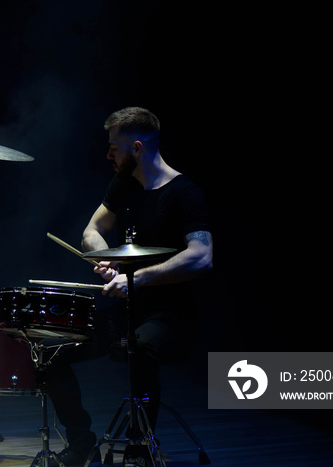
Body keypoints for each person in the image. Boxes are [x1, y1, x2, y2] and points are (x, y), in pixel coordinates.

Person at [45, 107, 213, 465]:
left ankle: (139, 447)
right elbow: (92, 231)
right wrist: (104, 259)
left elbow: (202, 256)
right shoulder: (123, 184)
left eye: (113, 148)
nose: (108, 155)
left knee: (140, 347)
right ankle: (81, 443)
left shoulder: (185, 193)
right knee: (50, 353)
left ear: (137, 148)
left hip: (170, 314)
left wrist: (136, 277)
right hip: (125, 309)